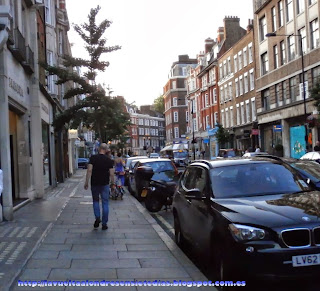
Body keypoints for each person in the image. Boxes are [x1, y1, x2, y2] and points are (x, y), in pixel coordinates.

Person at [84, 143, 114, 230]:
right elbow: (112, 174)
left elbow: (89, 170)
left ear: (99, 149)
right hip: (105, 183)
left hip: (95, 183)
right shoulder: (108, 160)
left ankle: (97, 217)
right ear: (106, 150)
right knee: (105, 202)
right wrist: (113, 184)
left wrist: (86, 182)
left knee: (96, 201)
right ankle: (104, 223)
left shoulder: (93, 158)